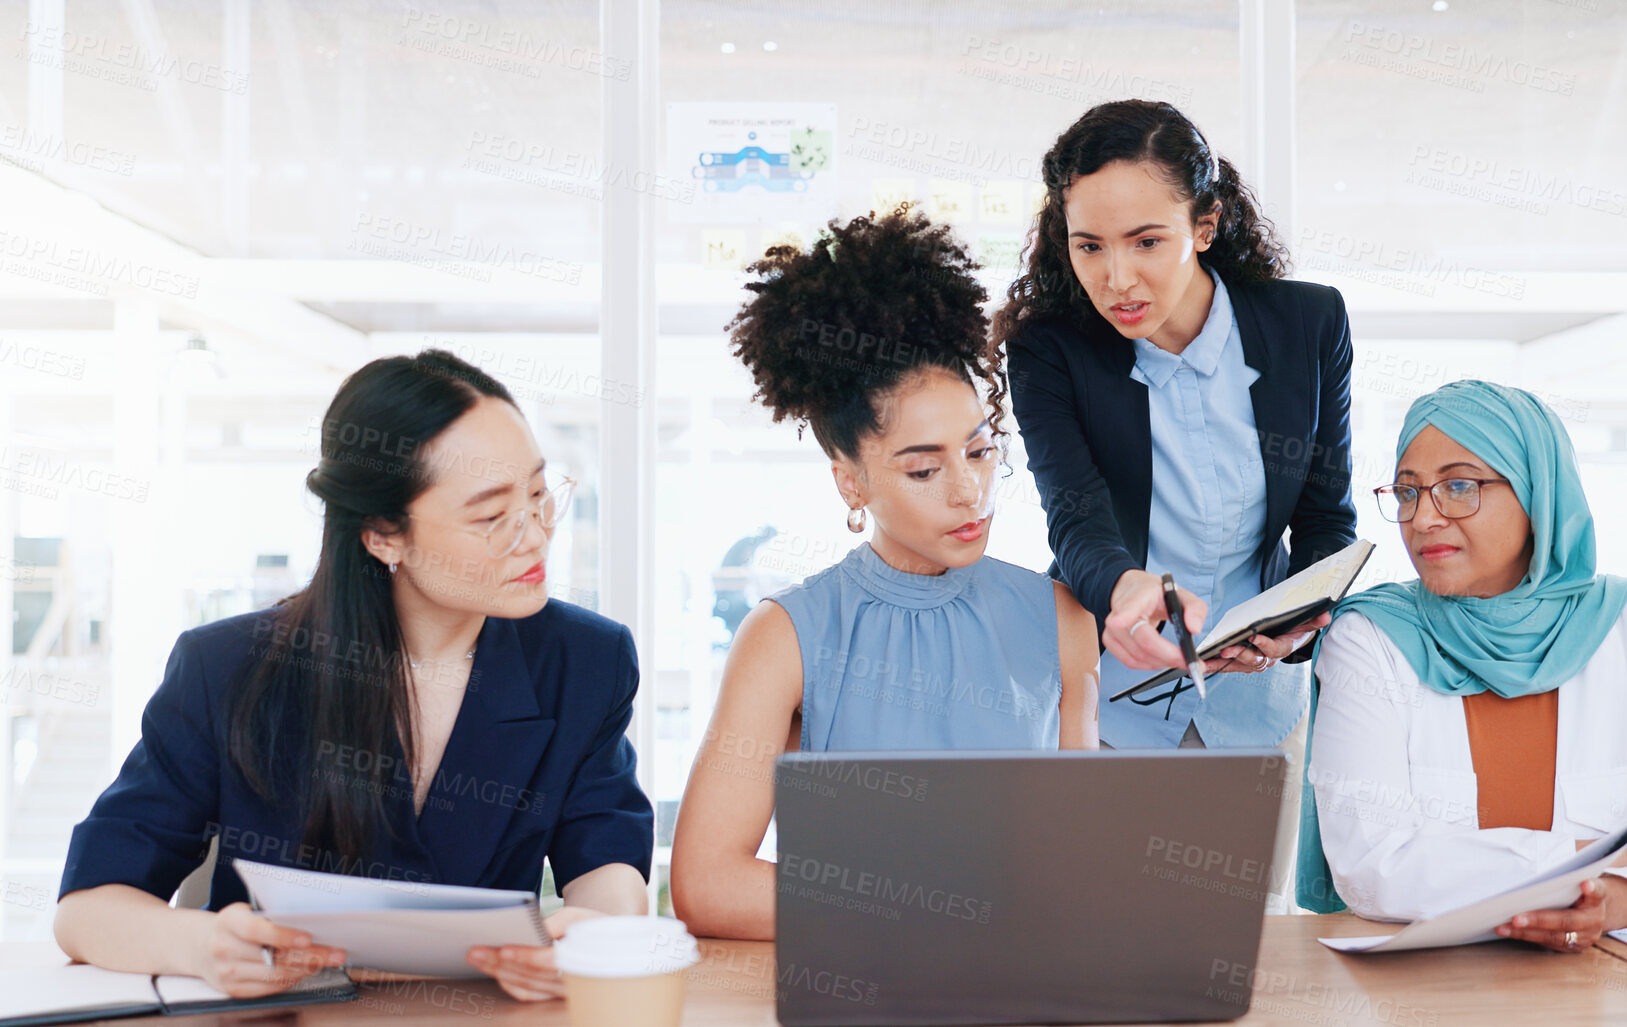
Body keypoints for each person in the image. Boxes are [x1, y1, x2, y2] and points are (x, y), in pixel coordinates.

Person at [54, 351, 654, 1001]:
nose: (534, 535)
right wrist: (202, 946)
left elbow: (607, 864)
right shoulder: (226, 669)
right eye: (489, 516)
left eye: (539, 495)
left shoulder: (585, 659)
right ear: (382, 535)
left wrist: (596, 936)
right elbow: (87, 909)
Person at [670, 206, 1100, 941]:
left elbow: (1074, 859)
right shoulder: (786, 636)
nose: (969, 489)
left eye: (980, 448)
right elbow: (708, 882)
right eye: (925, 467)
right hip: (859, 983)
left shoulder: (1060, 619)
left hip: (1014, 981)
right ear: (851, 482)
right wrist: (929, 907)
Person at [995, 100, 1355, 908]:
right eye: (1088, 246)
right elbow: (1075, 512)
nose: (1114, 279)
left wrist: (1294, 621)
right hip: (1108, 697)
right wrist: (1127, 591)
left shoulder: (1307, 324)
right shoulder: (1050, 349)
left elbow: (1327, 516)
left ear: (1204, 223)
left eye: (1146, 241)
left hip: (1258, 699)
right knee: (1098, 935)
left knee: (1241, 944)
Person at [1300, 379, 1627, 947]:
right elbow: (1373, 868)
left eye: (1459, 486)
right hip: (1428, 993)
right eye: (1408, 492)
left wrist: (1614, 902)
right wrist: (1615, 851)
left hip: (1608, 986)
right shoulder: (1369, 637)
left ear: (1538, 494)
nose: (1422, 519)